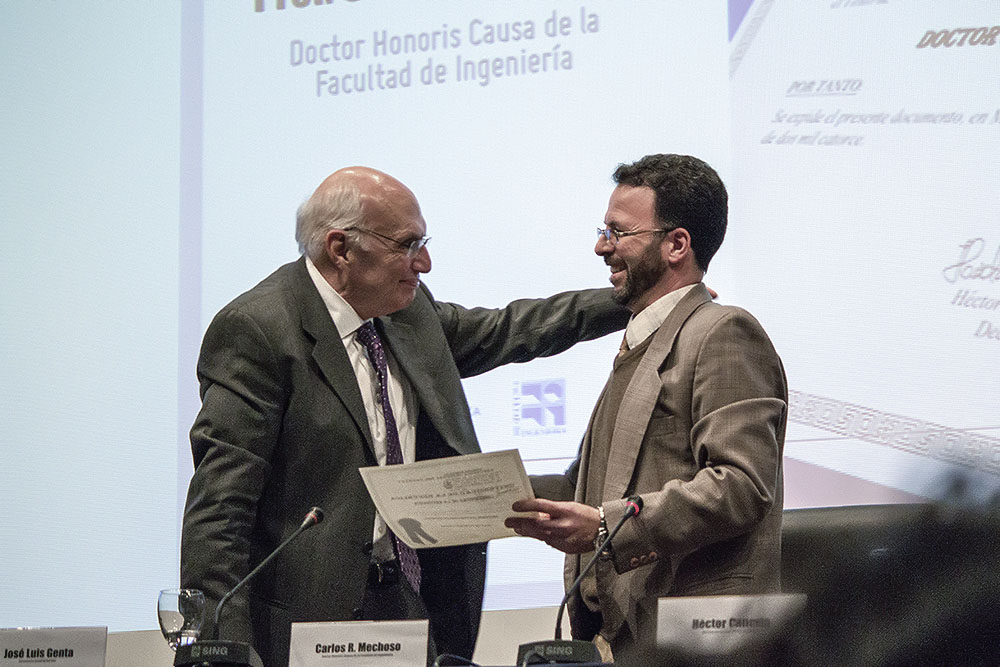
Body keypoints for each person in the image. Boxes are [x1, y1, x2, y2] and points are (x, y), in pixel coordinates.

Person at [180, 166, 629, 667]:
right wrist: (222, 651)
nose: (425, 263)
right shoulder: (258, 330)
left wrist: (630, 301)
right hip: (303, 621)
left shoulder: (407, 313)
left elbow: (512, 329)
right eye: (407, 244)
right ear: (340, 248)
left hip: (410, 603)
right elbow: (220, 508)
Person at [506, 154, 787, 661]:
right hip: (619, 641)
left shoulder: (723, 331)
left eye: (617, 233)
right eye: (603, 231)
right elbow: (589, 490)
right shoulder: (643, 341)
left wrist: (603, 525)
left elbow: (742, 485)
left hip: (689, 645)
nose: (601, 247)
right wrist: (482, 493)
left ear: (676, 244)